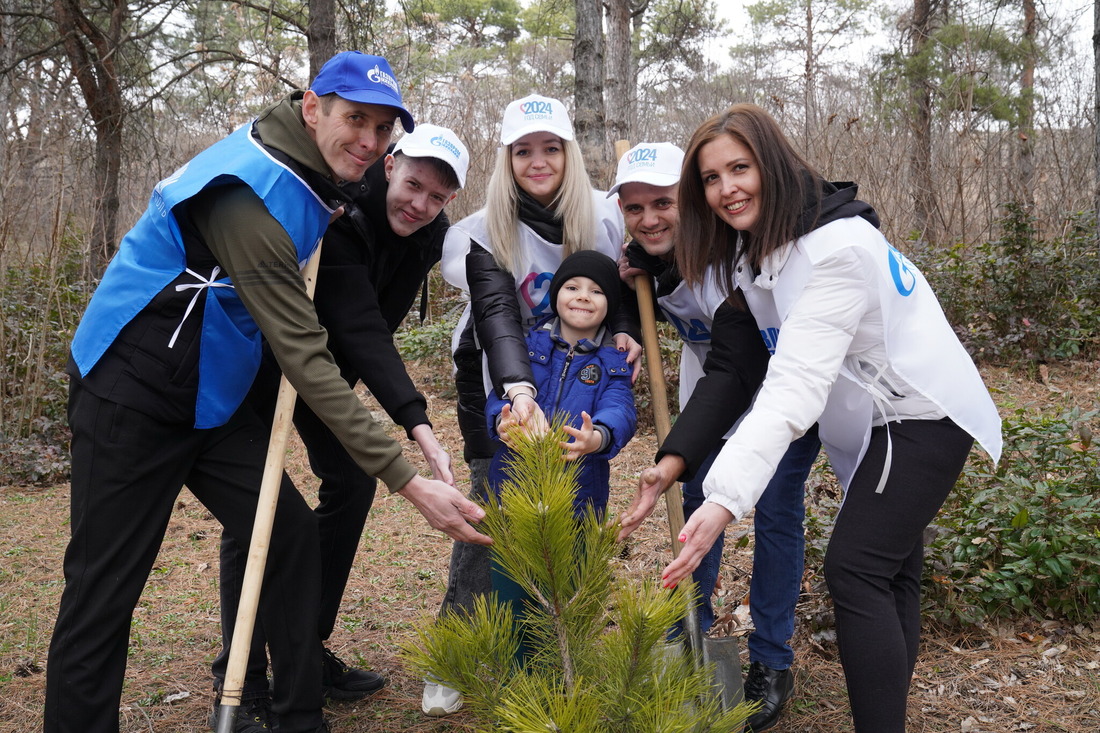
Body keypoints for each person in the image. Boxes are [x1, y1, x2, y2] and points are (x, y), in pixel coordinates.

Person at [45, 51, 489, 733]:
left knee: (287, 533)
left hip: (207, 396)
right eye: (354, 120)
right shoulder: (247, 190)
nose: (367, 142)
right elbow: (307, 355)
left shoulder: (317, 178)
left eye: (380, 128)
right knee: (103, 591)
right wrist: (407, 477)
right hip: (129, 389)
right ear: (313, 108)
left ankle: (297, 716)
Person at [619, 104, 1002, 733]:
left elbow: (792, 388)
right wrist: (673, 460)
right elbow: (734, 368)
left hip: (922, 415)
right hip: (877, 425)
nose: (726, 190)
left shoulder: (835, 250)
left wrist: (720, 502)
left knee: (856, 569)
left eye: (739, 168)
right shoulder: (758, 254)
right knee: (890, 573)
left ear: (772, 164)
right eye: (711, 179)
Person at [210, 122, 470, 725]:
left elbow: (482, 273)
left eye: (437, 197)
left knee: (351, 485)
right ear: (390, 167)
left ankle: (306, 645)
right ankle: (241, 673)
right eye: (413, 185)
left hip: (331, 376)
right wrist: (416, 423)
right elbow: (361, 326)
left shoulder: (432, 233)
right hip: (268, 367)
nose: (420, 204)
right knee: (259, 508)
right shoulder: (342, 221)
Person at [424, 93, 639, 716]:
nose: (538, 161)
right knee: (488, 509)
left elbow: (620, 280)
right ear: (507, 158)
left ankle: (554, 648)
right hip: (501, 379)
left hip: (578, 383)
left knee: (563, 518)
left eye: (551, 148)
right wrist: (517, 393)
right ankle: (458, 649)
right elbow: (496, 312)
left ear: (569, 153)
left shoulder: (603, 215)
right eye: (523, 150)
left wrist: (622, 323)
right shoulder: (481, 229)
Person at [612, 141, 820, 731]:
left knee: (776, 511)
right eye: (634, 208)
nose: (649, 218)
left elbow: (738, 360)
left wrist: (675, 450)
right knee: (695, 505)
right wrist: (634, 292)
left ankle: (772, 660)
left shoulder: (736, 255)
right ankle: (689, 631)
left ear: (691, 201)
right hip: (711, 398)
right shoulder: (642, 259)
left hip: (779, 395)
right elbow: (622, 299)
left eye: (663, 202)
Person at [486, 251, 637, 658]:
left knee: (566, 604)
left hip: (579, 502)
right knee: (512, 599)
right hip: (514, 497)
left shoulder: (613, 362)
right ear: (555, 295)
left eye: (597, 290)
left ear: (611, 305)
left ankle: (562, 686)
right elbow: (500, 395)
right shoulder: (526, 346)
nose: (583, 296)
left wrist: (598, 436)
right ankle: (517, 689)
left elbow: (621, 407)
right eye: (572, 287)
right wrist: (501, 423)